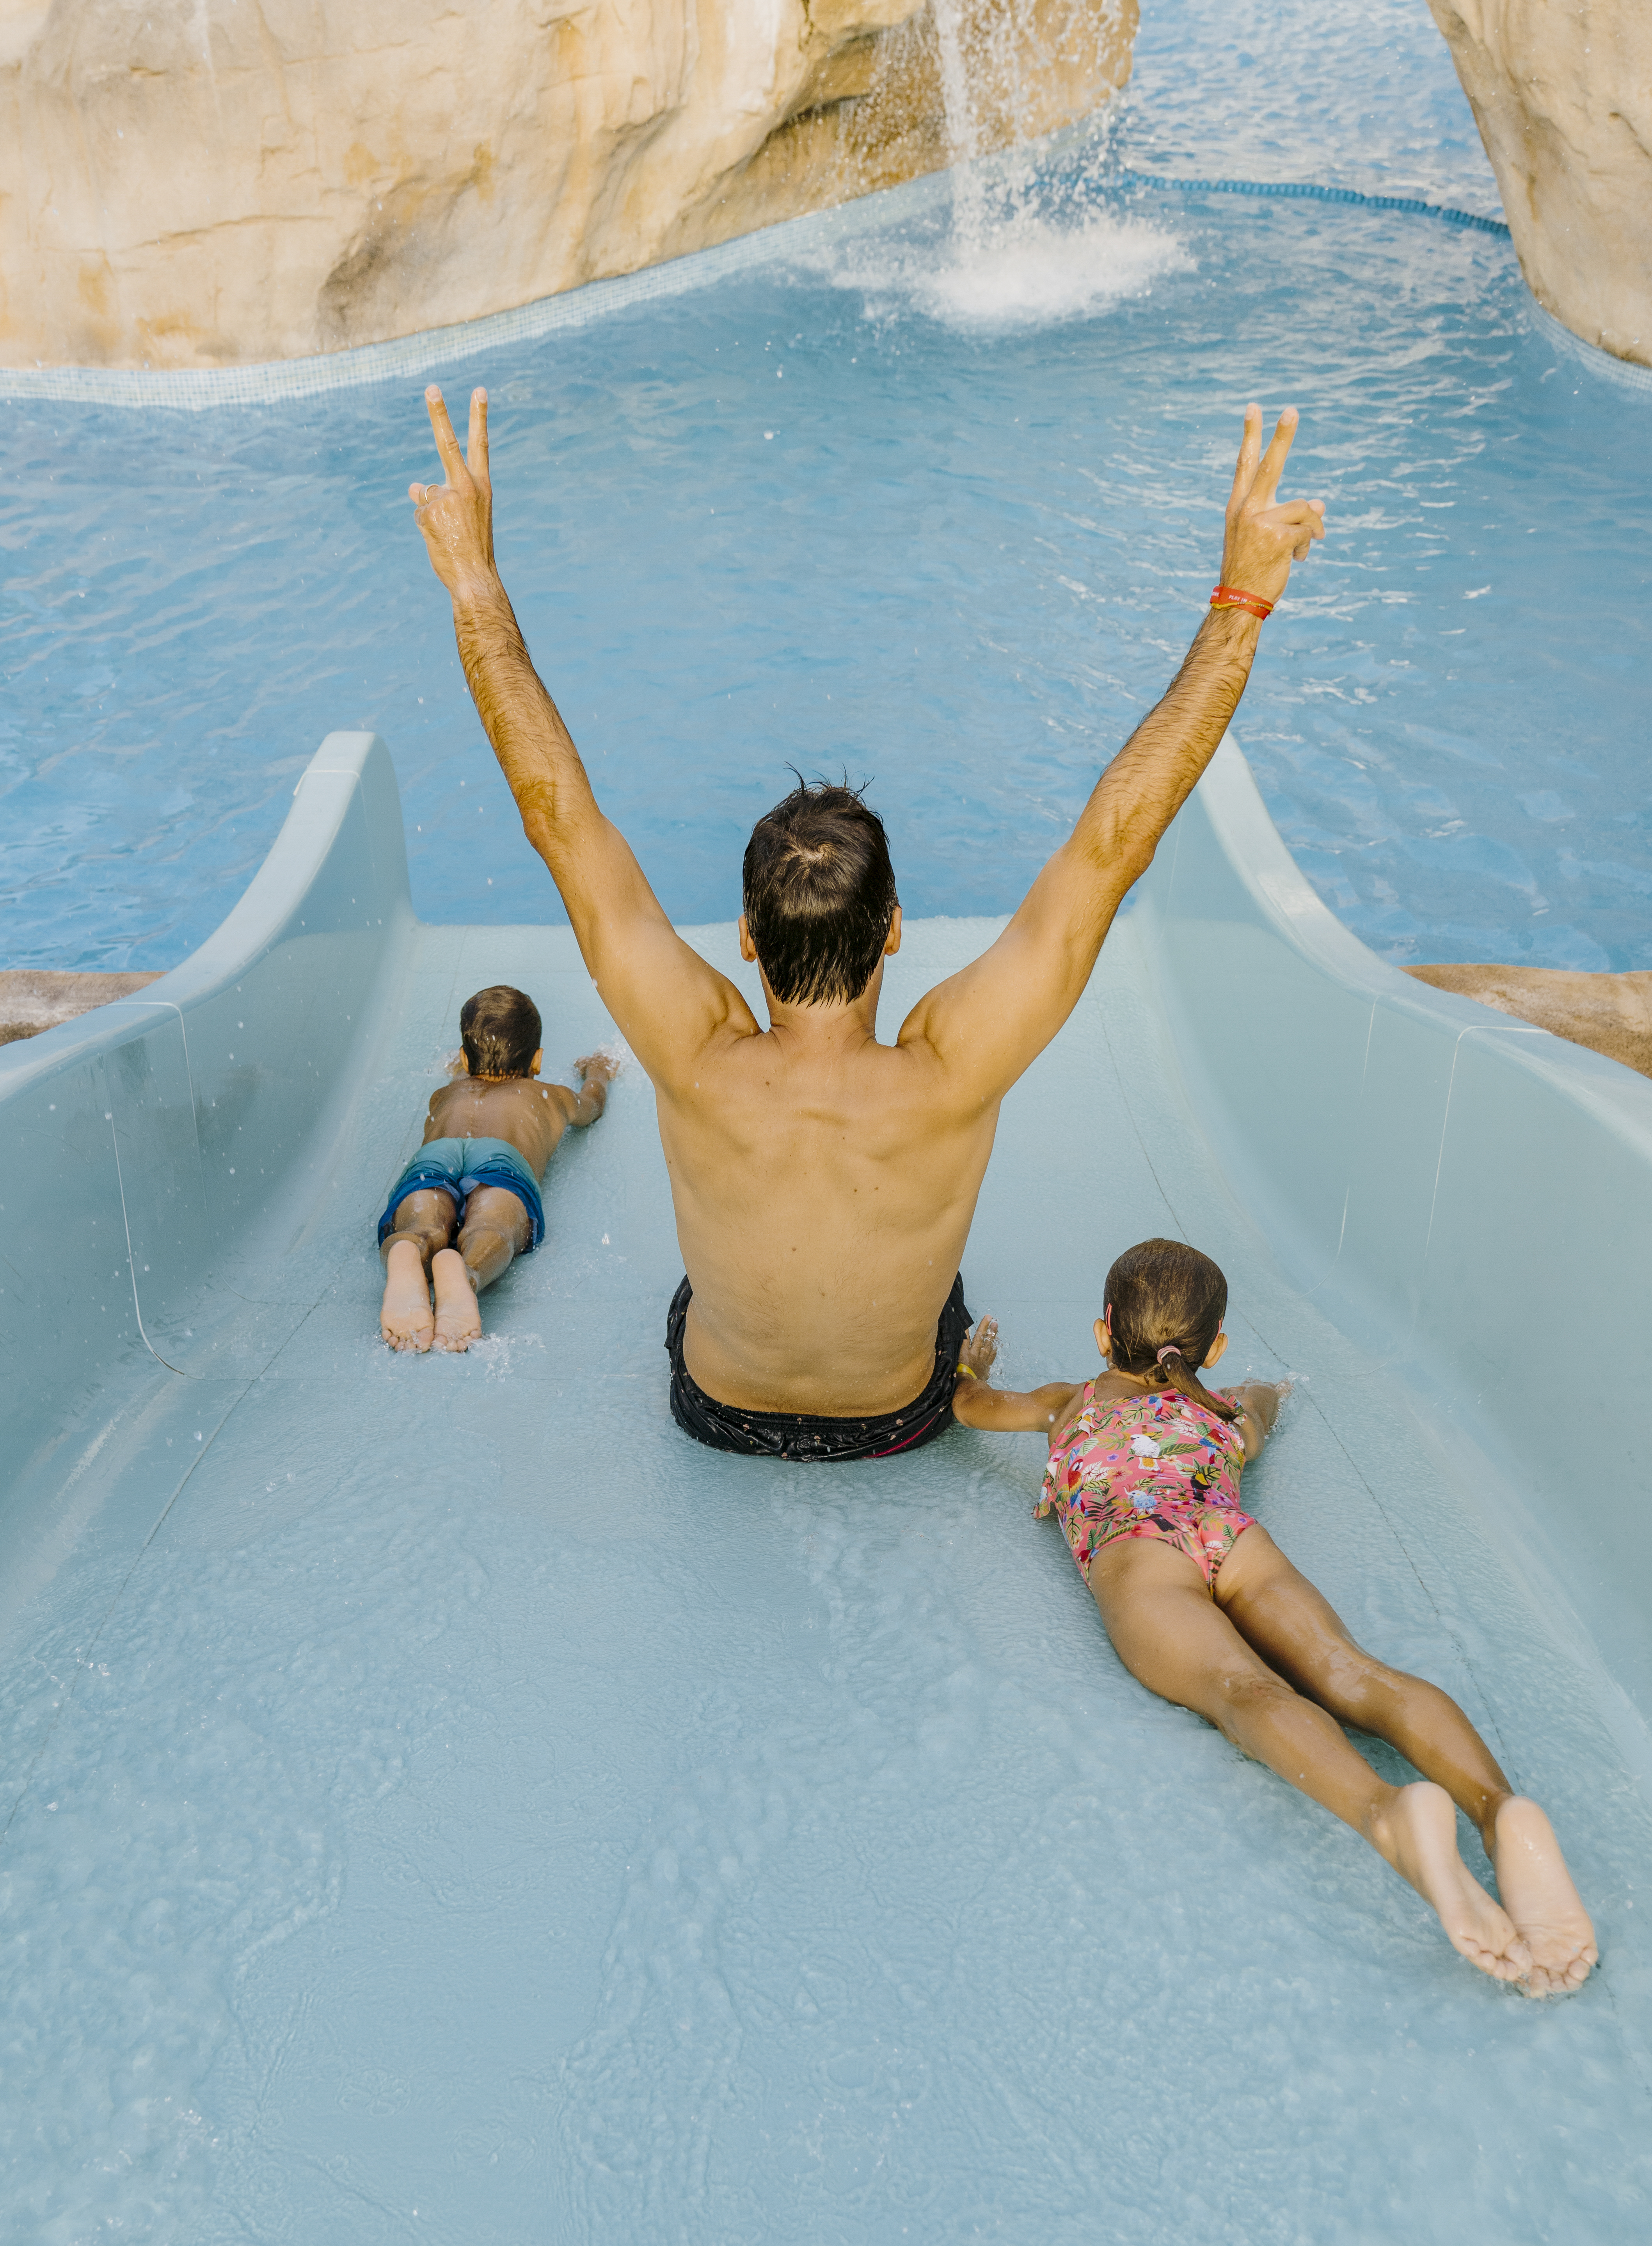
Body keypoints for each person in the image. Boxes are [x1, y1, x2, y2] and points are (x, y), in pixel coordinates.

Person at [407, 382, 1324, 1456]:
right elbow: (1114, 844)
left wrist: (473, 579)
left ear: (746, 935)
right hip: (897, 1416)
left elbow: (555, 815)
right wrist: (1241, 602)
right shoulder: (953, 1065)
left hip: (719, 1409)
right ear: (893, 927)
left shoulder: (691, 1046)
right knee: (940, 1303)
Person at [950, 1237, 1598, 1997]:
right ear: (1212, 1348)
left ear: (1103, 1333)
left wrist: (972, 1367)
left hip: (1138, 1552)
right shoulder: (1222, 1414)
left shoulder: (1070, 1401)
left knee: (1243, 1692)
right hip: (1227, 1533)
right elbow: (1260, 1403)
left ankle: (1387, 1815)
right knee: (1351, 1670)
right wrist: (1266, 1394)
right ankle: (1497, 1810)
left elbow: (971, 1408)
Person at [378, 983, 614, 1353]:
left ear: (465, 1060)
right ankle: (465, 1273)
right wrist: (598, 1073)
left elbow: (462, 1075)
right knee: (493, 1226)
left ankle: (409, 1248)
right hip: (502, 1161)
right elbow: (592, 1106)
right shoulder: (548, 1095)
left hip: (436, 1156)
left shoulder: (448, 1094)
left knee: (424, 1221)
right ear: (535, 1061)